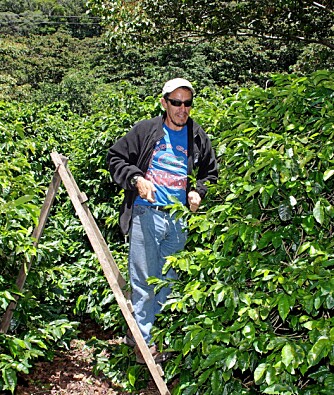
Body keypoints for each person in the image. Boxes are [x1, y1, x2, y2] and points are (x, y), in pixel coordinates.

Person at [106, 78, 218, 363]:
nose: (183, 109)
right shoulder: (147, 130)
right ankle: (143, 344)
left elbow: (210, 172)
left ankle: (158, 338)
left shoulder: (197, 135)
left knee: (169, 281)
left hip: (178, 219)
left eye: (187, 103)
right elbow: (116, 158)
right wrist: (136, 179)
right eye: (177, 103)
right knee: (144, 280)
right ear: (164, 102)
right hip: (147, 213)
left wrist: (198, 191)